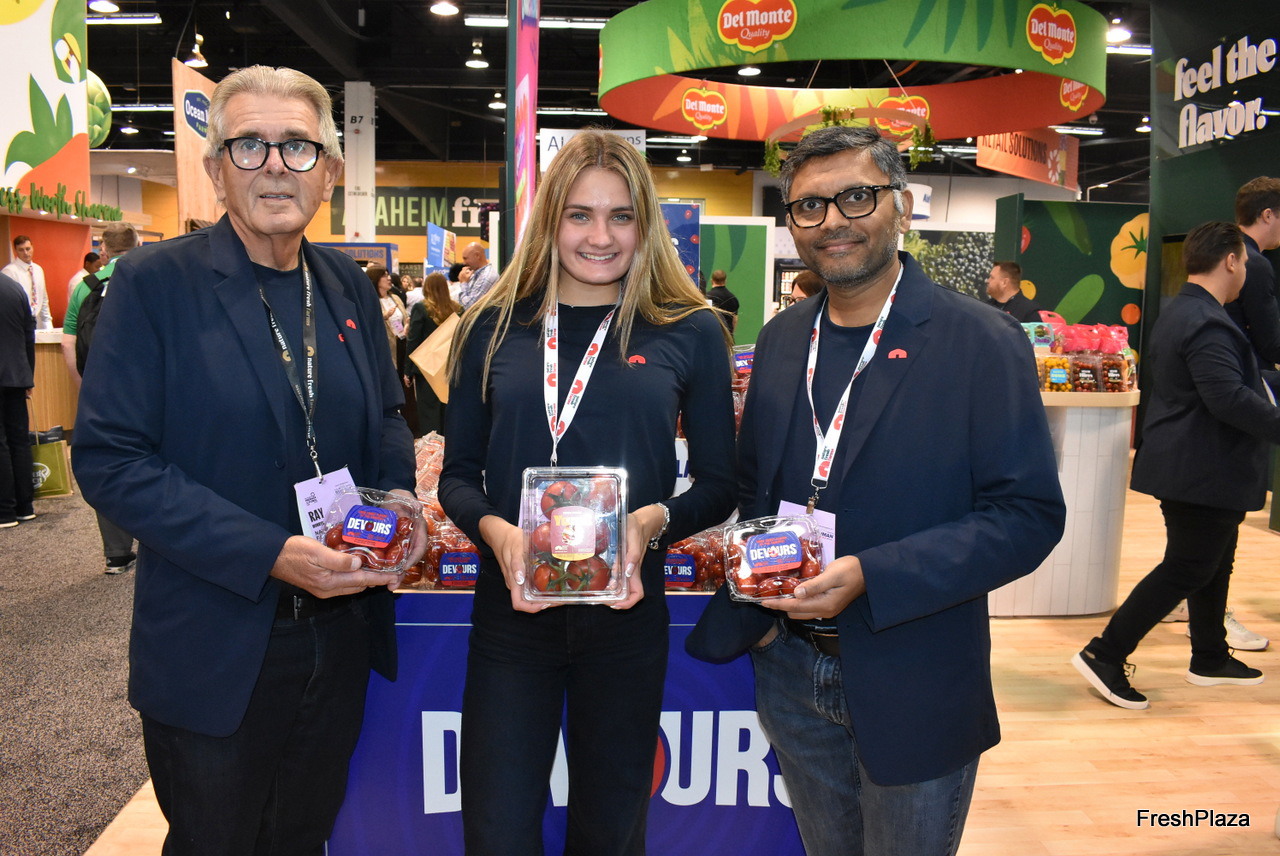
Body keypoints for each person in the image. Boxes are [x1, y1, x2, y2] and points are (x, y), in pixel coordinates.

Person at [689, 125, 1065, 856]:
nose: (832, 220)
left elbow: (1027, 517)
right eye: (809, 205)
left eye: (856, 197)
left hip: (914, 668)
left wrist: (873, 574)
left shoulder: (980, 341)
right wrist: (759, 612)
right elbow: (757, 485)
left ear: (903, 205)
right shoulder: (783, 339)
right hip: (790, 664)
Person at [70, 65, 418, 855]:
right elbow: (111, 460)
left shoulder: (347, 286)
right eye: (249, 145)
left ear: (330, 170)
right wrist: (269, 553)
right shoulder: (155, 285)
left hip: (339, 634)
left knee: (302, 836)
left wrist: (394, 502)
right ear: (216, 167)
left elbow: (387, 416)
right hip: (217, 642)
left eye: (298, 146)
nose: (275, 166)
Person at [438, 129, 736, 854]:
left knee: (611, 831)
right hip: (513, 615)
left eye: (620, 216)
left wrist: (650, 522)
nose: (600, 237)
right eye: (579, 214)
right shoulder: (491, 325)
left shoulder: (691, 329)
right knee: (497, 830)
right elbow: (458, 476)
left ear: (645, 224)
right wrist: (499, 534)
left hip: (626, 618)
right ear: (550, 219)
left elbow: (722, 483)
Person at [1073, 221, 1280, 710]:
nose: (1247, 271)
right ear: (1231, 260)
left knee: (1213, 560)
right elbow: (1227, 399)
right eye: (1245, 262)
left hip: (1200, 465)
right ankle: (1105, 653)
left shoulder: (1185, 310)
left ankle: (1209, 656)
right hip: (1202, 466)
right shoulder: (1207, 321)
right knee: (1188, 566)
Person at [61, 221, 142, 574]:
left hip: (104, 392)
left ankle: (117, 554)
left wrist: (85, 388)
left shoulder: (86, 286)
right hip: (147, 390)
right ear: (137, 244)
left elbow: (69, 343)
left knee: (111, 463)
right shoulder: (149, 276)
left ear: (104, 249)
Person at [0, 270, 35, 528]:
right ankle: (25, 506)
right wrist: (28, 376)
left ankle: (4, 511)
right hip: (17, 375)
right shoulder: (14, 288)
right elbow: (28, 335)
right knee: (20, 441)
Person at [404, 271, 457, 437]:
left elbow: (413, 340)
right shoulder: (457, 308)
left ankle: (432, 445)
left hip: (426, 367)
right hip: (450, 366)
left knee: (428, 410)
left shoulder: (421, 308)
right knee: (447, 408)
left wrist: (407, 370)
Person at [2, 235, 51, 330]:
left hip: (37, 323)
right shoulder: (9, 272)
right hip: (18, 324)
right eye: (21, 250)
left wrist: (48, 325)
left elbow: (43, 298)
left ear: (32, 247)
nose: (25, 253)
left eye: (28, 249)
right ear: (16, 251)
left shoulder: (38, 269)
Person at [367, 264, 407, 367]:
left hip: (401, 342)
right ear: (375, 279)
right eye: (384, 276)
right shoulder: (371, 301)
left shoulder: (395, 298)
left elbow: (404, 317)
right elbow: (369, 322)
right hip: (383, 347)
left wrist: (407, 324)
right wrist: (384, 316)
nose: (389, 278)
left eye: (388, 275)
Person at [457, 241, 496, 309]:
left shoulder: (486, 276)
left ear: (477, 255)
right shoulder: (474, 275)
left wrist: (463, 283)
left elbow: (469, 307)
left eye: (465, 258)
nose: (464, 263)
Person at [706, 268, 740, 333]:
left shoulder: (707, 297)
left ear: (712, 281)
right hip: (727, 334)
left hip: (713, 334)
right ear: (725, 281)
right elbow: (734, 320)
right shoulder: (733, 298)